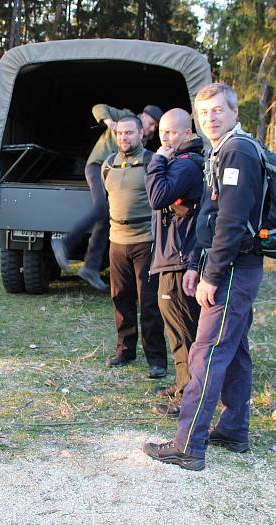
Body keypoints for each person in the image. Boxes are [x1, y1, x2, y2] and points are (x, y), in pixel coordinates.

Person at [144, 82, 265, 471]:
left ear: (234, 112)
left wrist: (211, 274)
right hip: (228, 264)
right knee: (236, 350)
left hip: (232, 268)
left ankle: (188, 444)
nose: (211, 117)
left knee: (206, 351)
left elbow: (230, 223)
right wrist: (196, 263)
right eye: (205, 111)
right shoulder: (222, 151)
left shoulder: (237, 152)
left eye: (218, 110)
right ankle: (233, 429)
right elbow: (209, 219)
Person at [52, 103, 163, 290]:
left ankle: (90, 268)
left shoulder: (141, 139)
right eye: (152, 123)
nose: (152, 129)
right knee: (102, 209)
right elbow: (97, 107)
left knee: (106, 217)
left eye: (154, 127)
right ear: (143, 116)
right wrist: (109, 121)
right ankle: (64, 243)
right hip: (97, 166)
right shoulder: (125, 116)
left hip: (114, 171)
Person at [144, 108, 205, 416]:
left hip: (180, 261)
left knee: (183, 330)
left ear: (188, 131)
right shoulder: (180, 163)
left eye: (172, 132)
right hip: (173, 258)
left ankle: (189, 398)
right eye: (163, 132)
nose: (166, 138)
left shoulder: (185, 165)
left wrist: (157, 160)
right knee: (176, 328)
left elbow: (156, 196)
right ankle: (183, 384)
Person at [102, 115, 167, 377]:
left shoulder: (153, 161)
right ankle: (125, 350)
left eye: (129, 133)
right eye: (120, 133)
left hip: (146, 243)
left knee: (149, 303)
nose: (124, 138)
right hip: (116, 241)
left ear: (141, 134)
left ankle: (156, 359)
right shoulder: (108, 164)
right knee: (121, 298)